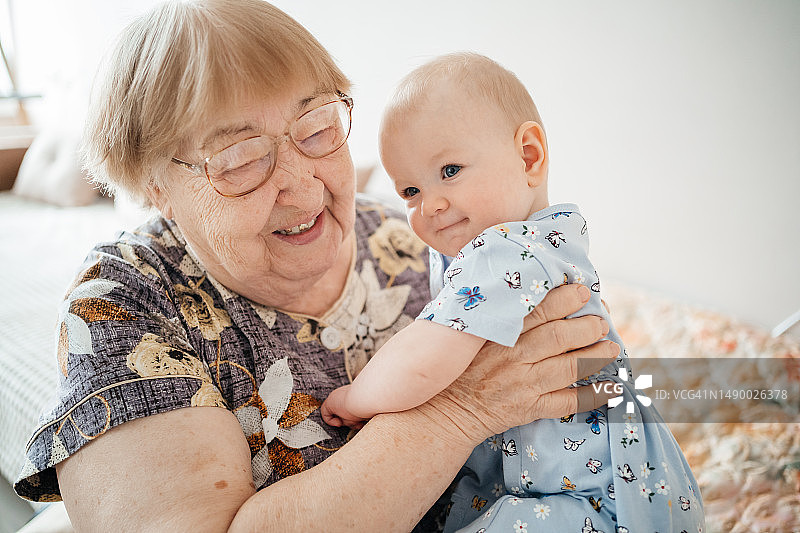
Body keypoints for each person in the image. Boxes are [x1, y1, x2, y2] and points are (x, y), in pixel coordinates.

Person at [12, 2, 618, 531]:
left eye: (319, 128)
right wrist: (458, 411)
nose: (304, 190)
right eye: (241, 158)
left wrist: (689, 393)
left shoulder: (412, 238)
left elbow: (597, 375)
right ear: (156, 188)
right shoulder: (125, 301)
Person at [321, 53, 704, 532]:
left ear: (529, 156)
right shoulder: (550, 238)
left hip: (588, 500)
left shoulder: (502, 250)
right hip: (626, 486)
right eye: (411, 192)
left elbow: (424, 358)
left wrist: (358, 398)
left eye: (451, 170)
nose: (432, 205)